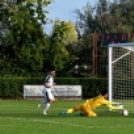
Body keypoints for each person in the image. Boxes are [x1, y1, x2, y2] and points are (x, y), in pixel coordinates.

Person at [59, 90, 123, 117]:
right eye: (107, 94)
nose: (107, 95)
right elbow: (110, 104)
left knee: (74, 109)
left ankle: (67, 112)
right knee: (94, 115)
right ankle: (83, 115)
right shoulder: (102, 100)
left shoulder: (99, 96)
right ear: (104, 95)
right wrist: (118, 105)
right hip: (87, 109)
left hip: (83, 104)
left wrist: (117, 106)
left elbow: (109, 106)